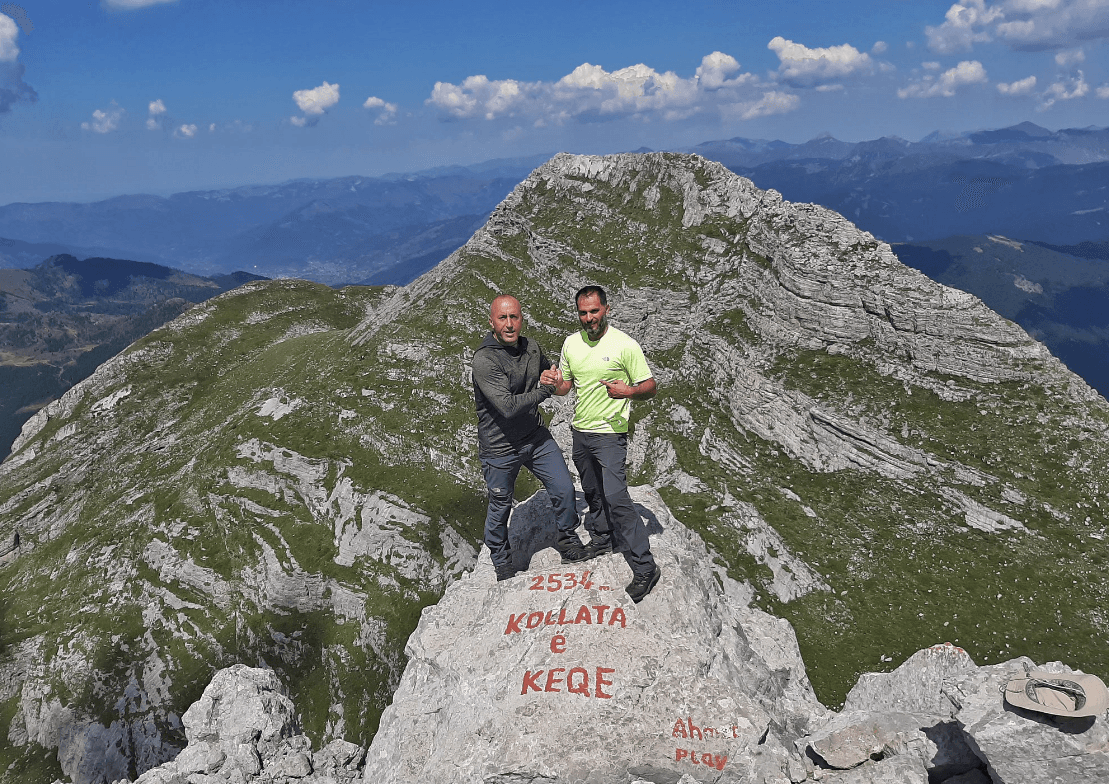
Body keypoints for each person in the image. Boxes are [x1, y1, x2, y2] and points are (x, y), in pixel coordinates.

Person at [472, 294, 596, 582]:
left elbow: (559, 383)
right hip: (499, 448)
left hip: (535, 438)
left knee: (564, 487)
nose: (509, 324)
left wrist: (558, 381)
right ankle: (502, 561)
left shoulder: (532, 348)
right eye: (502, 318)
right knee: (501, 504)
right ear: (491, 321)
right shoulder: (485, 360)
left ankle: (567, 540)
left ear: (521, 319)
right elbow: (508, 407)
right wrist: (545, 391)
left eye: (514, 317)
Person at [550, 285, 662, 603]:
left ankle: (645, 567)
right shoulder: (571, 343)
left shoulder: (624, 345)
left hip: (611, 434)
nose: (589, 318)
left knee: (616, 496)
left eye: (594, 311)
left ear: (606, 309)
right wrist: (554, 382)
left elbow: (650, 386)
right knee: (593, 491)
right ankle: (601, 539)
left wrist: (628, 392)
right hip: (581, 431)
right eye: (583, 312)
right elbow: (567, 387)